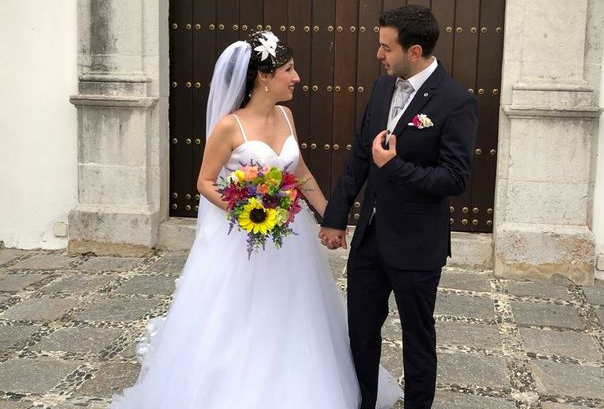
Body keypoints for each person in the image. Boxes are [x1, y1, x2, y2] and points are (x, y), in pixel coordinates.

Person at [110, 31, 401, 409]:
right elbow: (204, 182)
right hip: (242, 241)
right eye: (288, 70)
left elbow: (301, 174)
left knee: (295, 309)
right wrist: (243, 209)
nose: (296, 77)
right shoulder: (230, 127)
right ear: (264, 76)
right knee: (239, 315)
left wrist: (331, 214)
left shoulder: (287, 115)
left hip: (289, 237)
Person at [319, 5, 478, 409]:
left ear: (415, 50)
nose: (379, 54)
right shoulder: (381, 88)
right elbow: (359, 156)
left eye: (386, 47)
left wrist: (397, 166)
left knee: (417, 340)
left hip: (417, 245)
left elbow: (455, 179)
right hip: (370, 239)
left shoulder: (456, 102)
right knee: (361, 335)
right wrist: (336, 217)